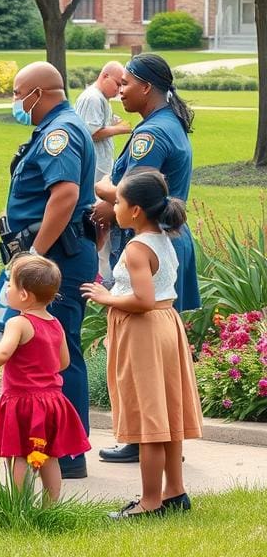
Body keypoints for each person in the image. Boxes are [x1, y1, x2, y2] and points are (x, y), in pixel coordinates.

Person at [91, 53, 201, 465]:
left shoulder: (150, 136)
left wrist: (103, 187)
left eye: (125, 85)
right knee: (159, 351)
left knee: (142, 354)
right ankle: (160, 436)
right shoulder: (166, 124)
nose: (119, 92)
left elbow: (127, 191)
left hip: (146, 242)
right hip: (166, 239)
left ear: (146, 88)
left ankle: (145, 438)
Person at [81, 169, 202, 518]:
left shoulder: (136, 248)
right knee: (165, 415)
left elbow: (144, 299)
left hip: (145, 331)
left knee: (149, 421)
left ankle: (150, 502)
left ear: (135, 211)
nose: (112, 207)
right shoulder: (165, 237)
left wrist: (106, 298)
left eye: (117, 202)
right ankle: (175, 492)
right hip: (165, 327)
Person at [0, 62, 97, 479]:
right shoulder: (57, 127)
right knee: (50, 354)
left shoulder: (60, 133)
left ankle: (68, 455)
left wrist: (34, 255)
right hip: (57, 255)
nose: (16, 101)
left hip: (57, 259)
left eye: (19, 93)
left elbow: (66, 195)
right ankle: (58, 452)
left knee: (59, 356)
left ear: (39, 93)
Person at [0, 255, 91, 505]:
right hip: (52, 401)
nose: (7, 289)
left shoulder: (18, 322)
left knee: (21, 456)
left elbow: (2, 353)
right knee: (49, 455)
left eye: (11, 285)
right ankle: (51, 508)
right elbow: (64, 363)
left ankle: (18, 507)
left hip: (24, 402)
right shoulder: (55, 323)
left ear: (24, 295)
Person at [73, 61, 131, 283]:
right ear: (104, 76)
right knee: (98, 225)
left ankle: (102, 274)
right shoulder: (93, 98)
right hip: (94, 175)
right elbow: (92, 132)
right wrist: (121, 129)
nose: (119, 90)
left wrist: (113, 120)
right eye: (117, 83)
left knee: (103, 229)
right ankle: (99, 277)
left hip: (101, 173)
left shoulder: (101, 99)